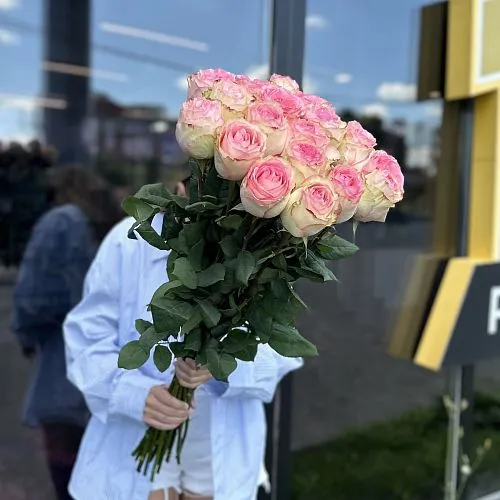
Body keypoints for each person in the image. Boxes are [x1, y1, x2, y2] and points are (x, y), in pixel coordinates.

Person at [62, 177, 302, 500]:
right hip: (131, 450)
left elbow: (283, 351)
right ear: (179, 189)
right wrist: (134, 395)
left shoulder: (262, 252)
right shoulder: (131, 240)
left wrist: (225, 366)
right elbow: (85, 340)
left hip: (221, 460)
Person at [11, 165, 124, 500]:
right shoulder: (112, 226)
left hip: (64, 368)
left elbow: (33, 299)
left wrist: (25, 333)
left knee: (69, 480)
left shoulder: (60, 221)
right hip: (110, 369)